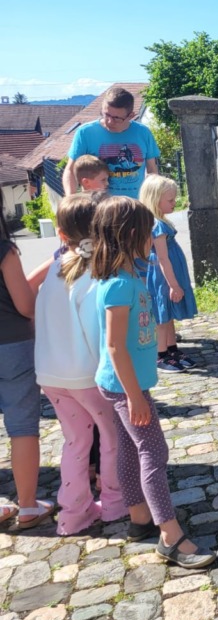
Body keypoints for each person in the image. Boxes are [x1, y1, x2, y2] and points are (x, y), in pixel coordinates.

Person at [92, 196, 215, 568]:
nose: (153, 238)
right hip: (125, 387)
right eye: (149, 233)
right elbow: (114, 346)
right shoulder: (118, 285)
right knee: (154, 453)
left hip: (126, 385)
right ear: (132, 235)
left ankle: (140, 519)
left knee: (131, 451)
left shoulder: (129, 276)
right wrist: (134, 396)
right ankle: (171, 537)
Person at [35, 194, 127, 535]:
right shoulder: (96, 272)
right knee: (111, 436)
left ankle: (73, 513)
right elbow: (98, 332)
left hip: (51, 373)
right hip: (86, 374)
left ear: (62, 234)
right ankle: (115, 502)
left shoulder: (55, 271)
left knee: (75, 442)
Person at [0, 190, 52, 530]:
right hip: (12, 346)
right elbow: (24, 305)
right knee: (22, 428)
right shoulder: (4, 250)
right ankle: (29, 505)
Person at [140, 175, 197, 371]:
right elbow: (162, 259)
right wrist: (174, 285)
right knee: (162, 315)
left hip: (168, 275)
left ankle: (172, 349)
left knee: (169, 313)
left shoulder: (160, 222)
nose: (174, 203)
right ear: (156, 200)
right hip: (165, 278)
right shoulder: (157, 226)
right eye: (170, 200)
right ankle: (161, 355)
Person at [63, 87, 160, 199]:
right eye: (106, 114)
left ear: (131, 116)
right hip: (97, 207)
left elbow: (152, 171)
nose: (109, 121)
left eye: (116, 118)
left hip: (134, 207)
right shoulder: (85, 133)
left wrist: (152, 200)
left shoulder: (143, 133)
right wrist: (71, 200)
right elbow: (70, 170)